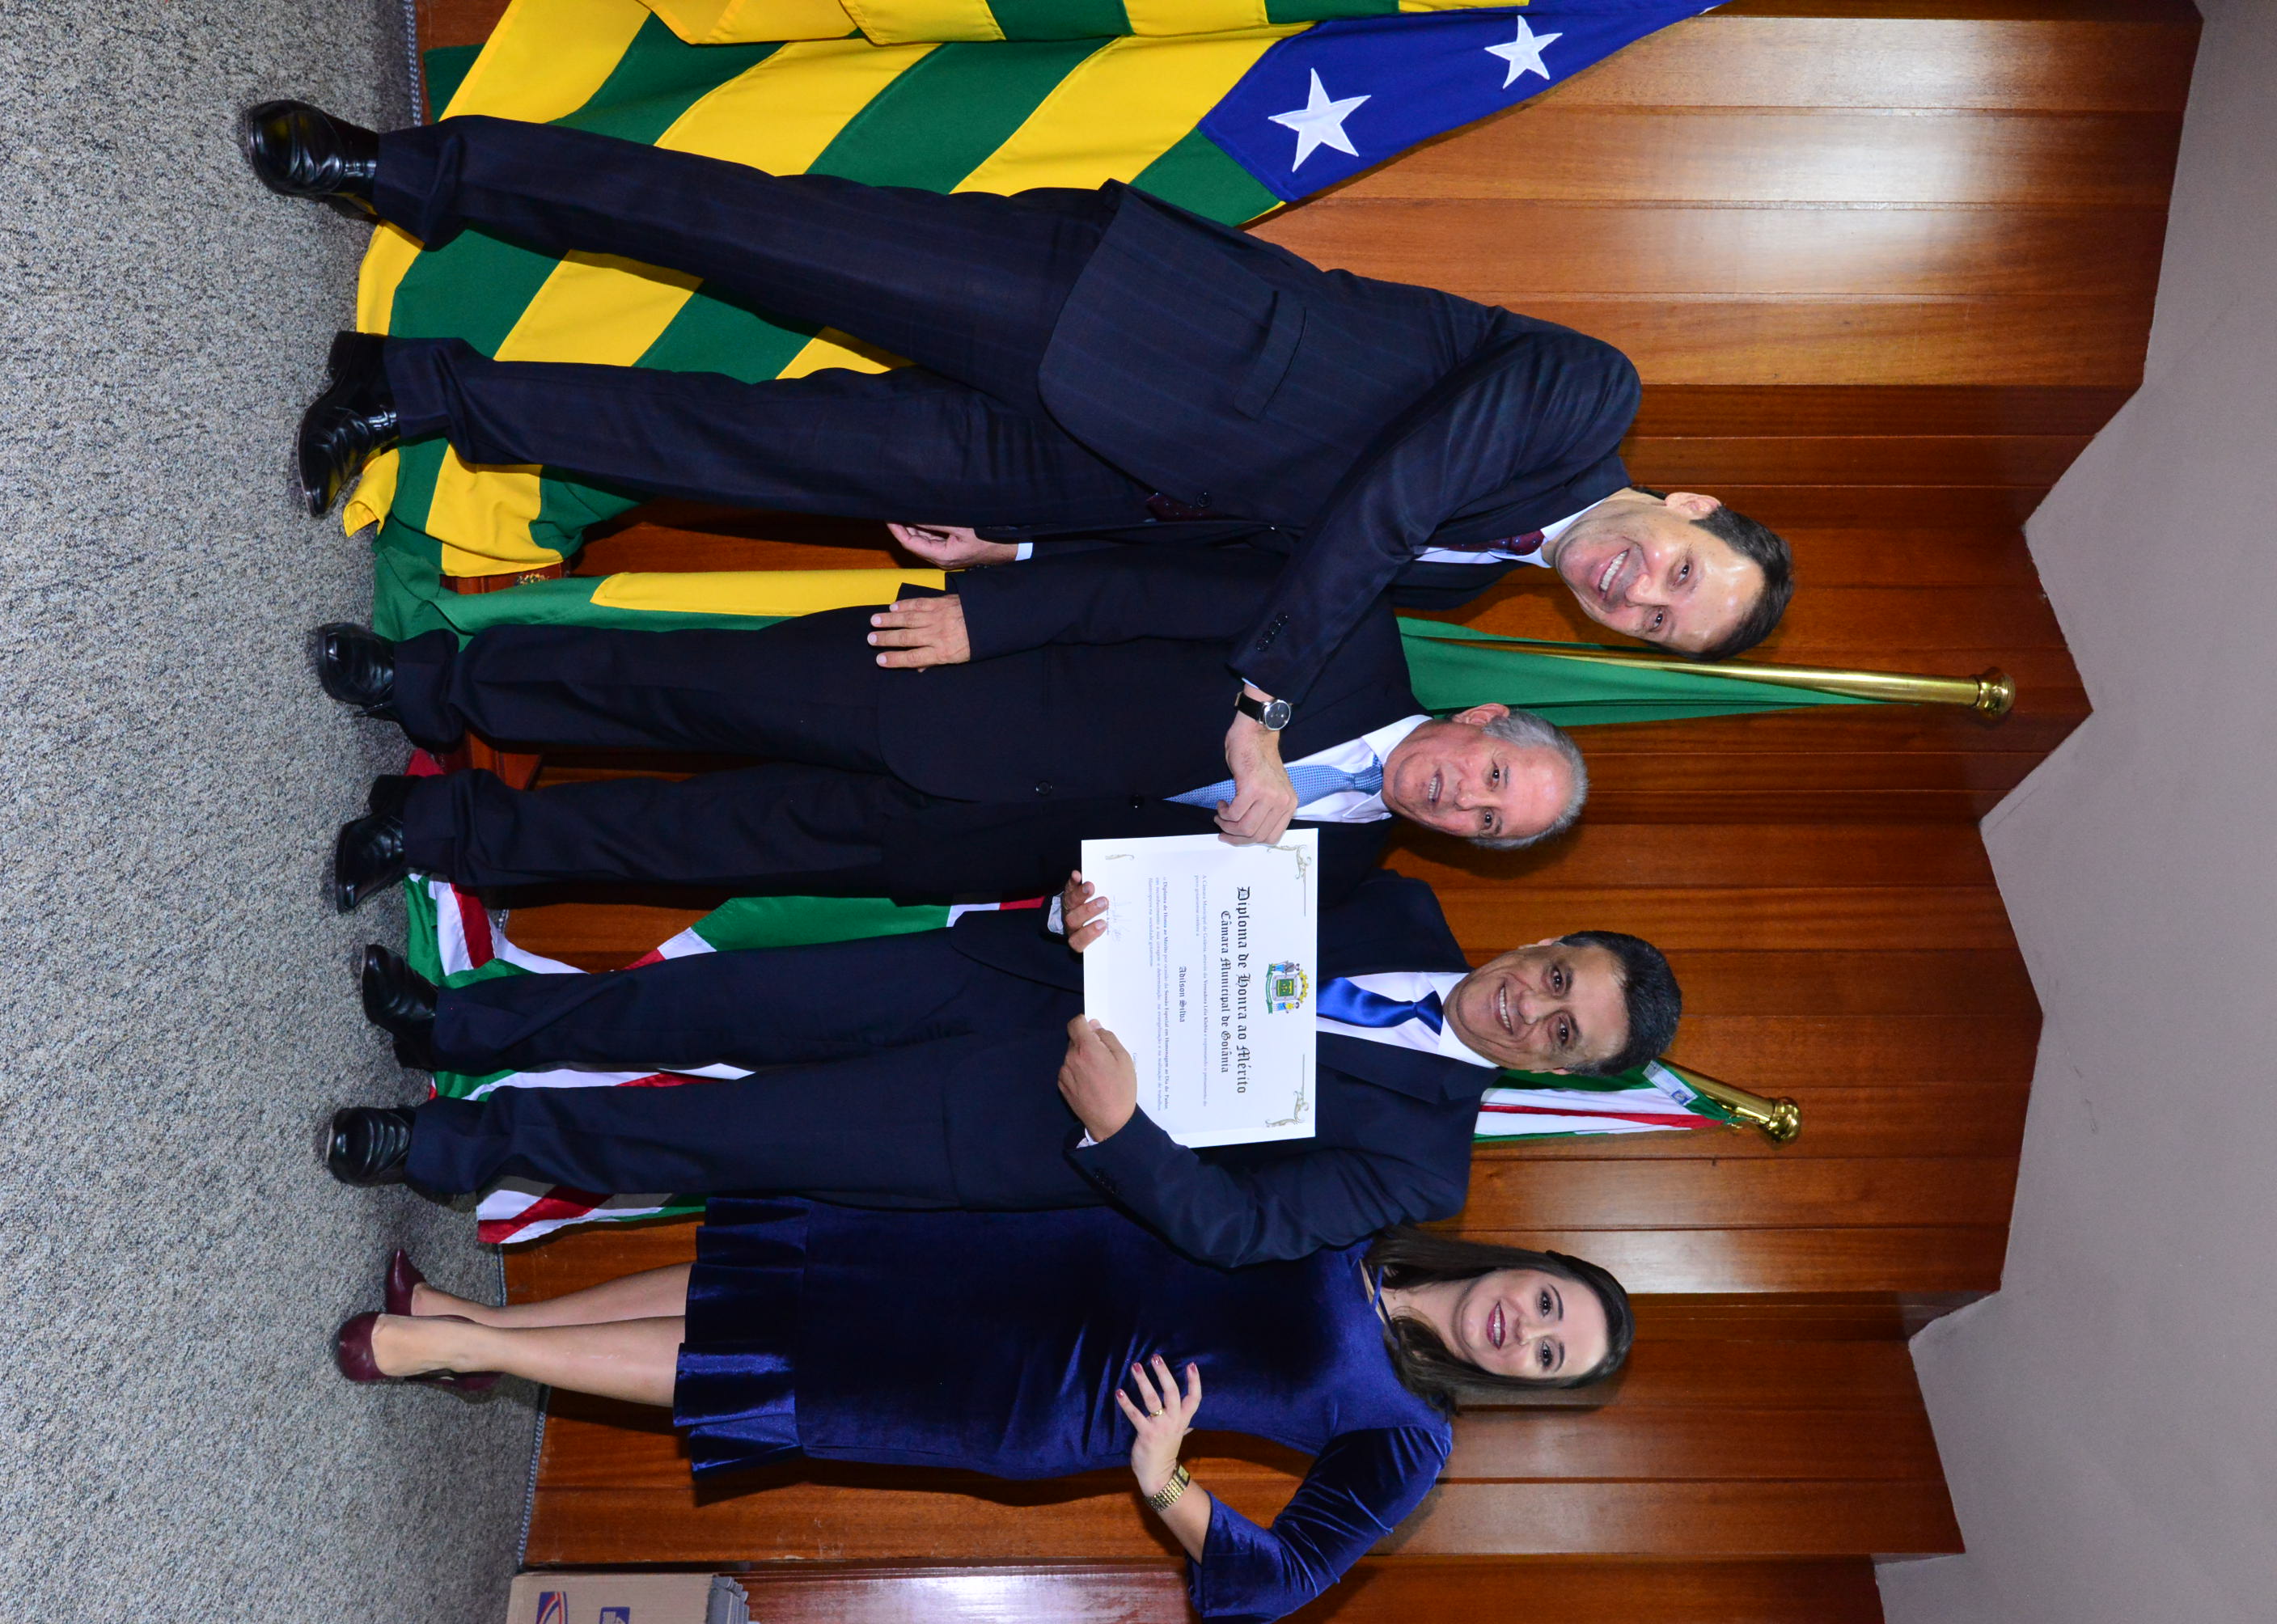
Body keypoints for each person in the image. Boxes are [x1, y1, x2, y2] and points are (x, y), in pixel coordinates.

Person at [241, 102, 1794, 848]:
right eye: (1680, 570)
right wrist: (1263, 699)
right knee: (751, 233)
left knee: (752, 451)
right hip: (1108, 313)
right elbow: (1394, 483)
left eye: (1659, 623)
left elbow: (1249, 554)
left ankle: (415, 392)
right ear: (1688, 508)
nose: (1639, 592)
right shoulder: (1588, 394)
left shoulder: (1479, 580)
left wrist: (1025, 558)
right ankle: (407, 170)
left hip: (1077, 479)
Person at [328, 865, 1681, 1268]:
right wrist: (1086, 904)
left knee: (712, 1138)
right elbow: (1189, 857)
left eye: (1564, 1035)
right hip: (999, 975)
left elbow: (1242, 1228)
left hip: (1003, 1128)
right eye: (1561, 975)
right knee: (710, 1000)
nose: (1534, 1008)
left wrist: (1126, 1127)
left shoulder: (1421, 1167)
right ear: (1548, 939)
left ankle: (443, 1148)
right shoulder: (1395, 899)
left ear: (1562, 1076)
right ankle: (457, 1027)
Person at [334, 1207, 1635, 1622]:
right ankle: (484, 1333)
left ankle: (446, 1345)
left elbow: (1283, 1580)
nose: (1523, 1329)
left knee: (762, 1367)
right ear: (1526, 1265)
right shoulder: (1382, 1217)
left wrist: (1169, 1481)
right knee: (754, 1283)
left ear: (1532, 1386)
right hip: (1029, 1248)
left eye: (1549, 1355)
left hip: (1039, 1393)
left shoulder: (1413, 1440)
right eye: (1547, 1303)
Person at [315, 548, 1587, 914]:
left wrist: (1086, 918)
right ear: (1481, 717)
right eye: (1490, 773)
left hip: (960, 844)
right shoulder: (1353, 633)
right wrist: (988, 615)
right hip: (960, 684)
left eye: (1487, 822)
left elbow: (1156, 918)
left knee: (685, 840)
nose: (1462, 800)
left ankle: (437, 833)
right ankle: (427, 684)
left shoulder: (1342, 871)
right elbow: (1146, 587)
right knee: (680, 686)